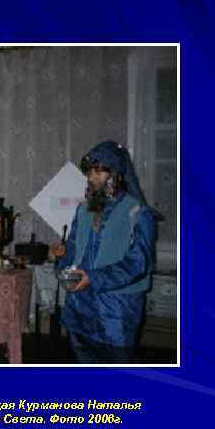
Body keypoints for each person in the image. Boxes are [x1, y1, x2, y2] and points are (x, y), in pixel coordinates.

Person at [50, 141, 156, 364]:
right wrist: (62, 256)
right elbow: (74, 250)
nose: (91, 177)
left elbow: (138, 263)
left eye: (98, 172)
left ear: (115, 174)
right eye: (89, 172)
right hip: (80, 307)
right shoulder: (84, 209)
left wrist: (93, 278)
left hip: (116, 312)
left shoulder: (138, 213)